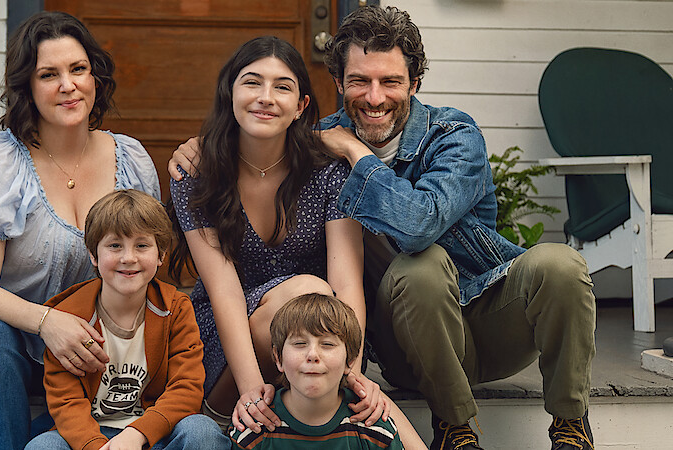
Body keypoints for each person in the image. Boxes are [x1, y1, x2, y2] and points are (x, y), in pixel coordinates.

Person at [170, 6, 597, 450]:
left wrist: (358, 155)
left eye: (391, 81)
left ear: (414, 83)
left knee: (559, 262)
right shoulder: (316, 145)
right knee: (420, 271)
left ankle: (570, 427)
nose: (374, 98)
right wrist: (206, 143)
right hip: (405, 339)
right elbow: (264, 130)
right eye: (359, 81)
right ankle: (455, 430)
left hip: (487, 320)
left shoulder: (451, 135)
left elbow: (418, 226)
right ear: (338, 84)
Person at [0, 11, 160, 450]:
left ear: (95, 76)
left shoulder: (130, 162)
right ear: (27, 87)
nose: (68, 85)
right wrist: (47, 322)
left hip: (60, 344)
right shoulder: (0, 162)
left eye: (78, 69)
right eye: (48, 74)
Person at [168, 35, 417, 442]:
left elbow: (347, 281)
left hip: (317, 341)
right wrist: (248, 389)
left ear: (301, 106)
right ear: (229, 93)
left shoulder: (328, 173)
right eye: (251, 82)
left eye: (282, 87)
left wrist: (352, 373)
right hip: (229, 343)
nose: (266, 97)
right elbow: (224, 290)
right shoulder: (197, 175)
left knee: (319, 309)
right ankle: (233, 407)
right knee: (308, 291)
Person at [25, 189, 229, 450]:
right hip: (89, 435)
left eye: (142, 245)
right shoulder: (68, 318)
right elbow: (66, 402)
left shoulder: (176, 309)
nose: (128, 258)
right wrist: (95, 445)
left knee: (202, 431)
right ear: (93, 255)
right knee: (42, 447)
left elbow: (186, 388)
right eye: (115, 245)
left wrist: (137, 434)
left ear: (161, 254)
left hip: (154, 431)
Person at [230, 293, 404, 450]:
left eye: (327, 344)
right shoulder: (254, 430)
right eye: (299, 344)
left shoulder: (374, 429)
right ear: (278, 358)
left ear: (350, 360)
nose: (312, 355)